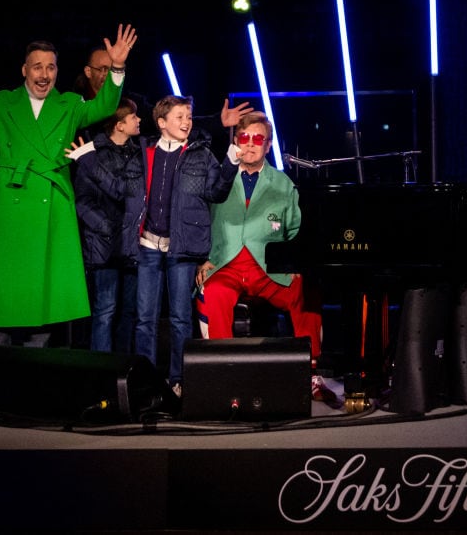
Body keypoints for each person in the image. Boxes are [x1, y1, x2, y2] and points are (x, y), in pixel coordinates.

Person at [0, 23, 137, 347]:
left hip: (52, 211)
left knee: (47, 305)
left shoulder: (69, 105)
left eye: (50, 67)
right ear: (25, 70)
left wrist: (117, 67)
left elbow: (104, 107)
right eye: (37, 66)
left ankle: (40, 377)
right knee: (3, 302)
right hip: (12, 211)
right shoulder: (1, 104)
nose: (44, 74)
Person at [195, 111, 337, 406]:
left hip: (269, 267)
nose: (250, 144)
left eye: (257, 139)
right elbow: (199, 220)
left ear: (268, 145)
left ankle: (311, 373)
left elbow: (296, 229)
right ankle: (221, 373)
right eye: (244, 138)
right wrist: (202, 258)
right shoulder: (220, 175)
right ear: (236, 142)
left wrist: (297, 264)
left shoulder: (283, 183)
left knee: (306, 289)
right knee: (212, 293)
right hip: (227, 263)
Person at [112, 94, 240, 395]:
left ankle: (178, 379)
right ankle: (145, 380)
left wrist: (230, 162)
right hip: (147, 246)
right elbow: (124, 190)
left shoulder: (200, 153)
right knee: (145, 318)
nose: (186, 122)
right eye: (180, 117)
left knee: (182, 317)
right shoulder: (144, 153)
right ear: (161, 122)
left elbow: (217, 192)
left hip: (181, 247)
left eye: (189, 117)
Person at [73, 98, 143, 353]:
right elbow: (82, 200)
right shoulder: (93, 153)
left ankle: (125, 369)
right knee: (105, 310)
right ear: (119, 125)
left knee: (130, 311)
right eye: (133, 117)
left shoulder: (139, 153)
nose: (139, 120)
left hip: (133, 243)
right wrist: (104, 227)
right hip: (104, 244)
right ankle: (102, 372)